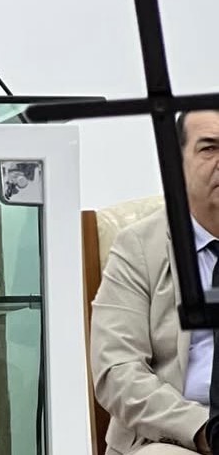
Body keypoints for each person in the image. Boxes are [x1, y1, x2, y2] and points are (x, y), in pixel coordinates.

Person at [91, 110, 219, 454]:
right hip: (174, 437)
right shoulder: (138, 247)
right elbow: (117, 371)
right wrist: (203, 430)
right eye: (209, 148)